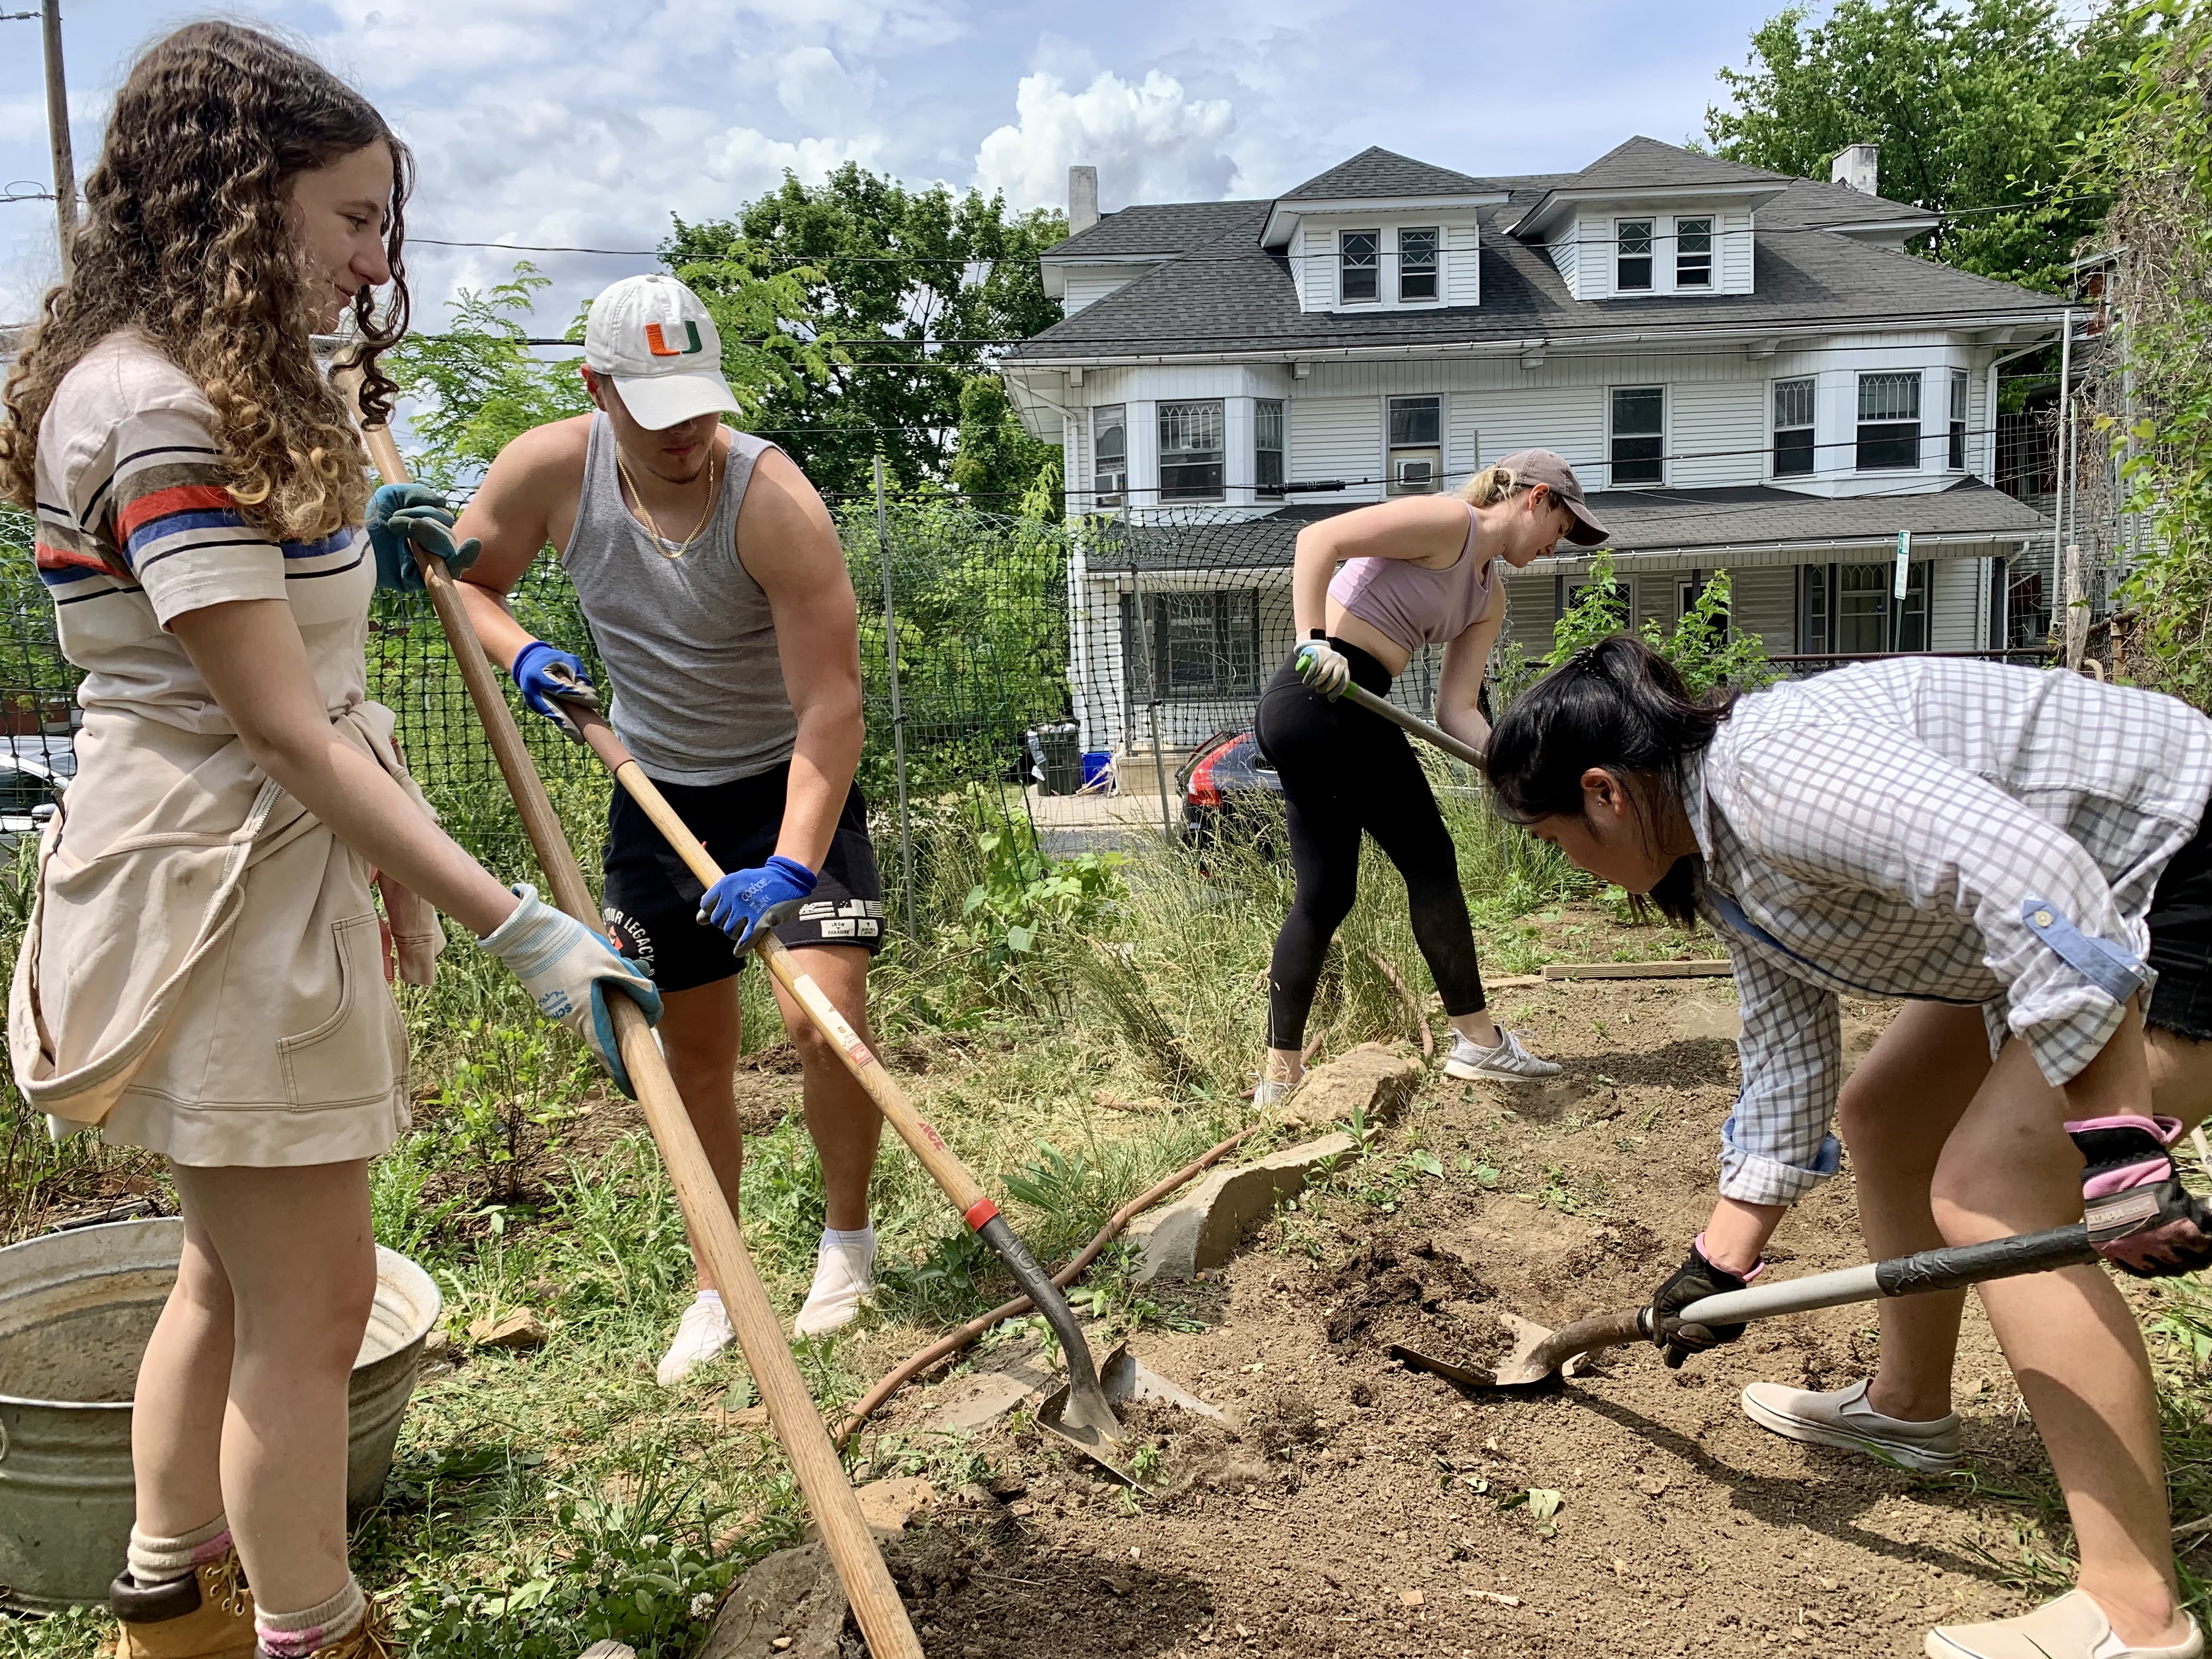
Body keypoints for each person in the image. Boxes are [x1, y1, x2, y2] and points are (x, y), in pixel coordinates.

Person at [0, 24, 658, 1659]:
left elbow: (297, 620)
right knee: (316, 1309)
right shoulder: (153, 414)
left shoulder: (207, 383)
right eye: (354, 218)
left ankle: (174, 1607)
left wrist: (381, 519)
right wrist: (523, 924)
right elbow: (285, 731)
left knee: (226, 1286)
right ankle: (311, 1631)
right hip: (227, 903)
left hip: (224, 883)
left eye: (385, 225)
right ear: (239, 198)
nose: (377, 262)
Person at [1483, 635, 2212, 1659]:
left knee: (1994, 1184)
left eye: (1558, 837)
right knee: (1887, 1111)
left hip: (2175, 861)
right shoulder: (1717, 854)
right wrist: (1717, 1260)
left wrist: (2118, 1144)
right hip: (2049, 912)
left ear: (1603, 790)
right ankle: (1906, 1406)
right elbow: (1789, 1059)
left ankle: (2133, 1610)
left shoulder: (1770, 776)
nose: (1576, 869)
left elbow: (2029, 870)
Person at [449, 273, 882, 1381]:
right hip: (657, 791)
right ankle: (719, 1281)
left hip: (792, 787)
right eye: (656, 409)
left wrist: (790, 861)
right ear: (597, 389)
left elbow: (833, 705)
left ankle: (847, 1246)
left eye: (700, 402)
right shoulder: (549, 472)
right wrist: (522, 653)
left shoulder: (773, 499)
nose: (689, 432)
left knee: (822, 1021)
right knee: (689, 1059)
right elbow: (468, 582)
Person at [1255, 449, 1606, 1102]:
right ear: (1536, 500)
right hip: (1322, 692)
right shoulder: (1451, 523)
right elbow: (1318, 538)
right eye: (1560, 530)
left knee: (1326, 895)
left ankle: (1278, 1080)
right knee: (1431, 861)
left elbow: (1457, 711)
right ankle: (1478, 1041)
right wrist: (1313, 639)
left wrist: (1515, 766)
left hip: (1348, 708)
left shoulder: (1489, 596)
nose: (1558, 548)